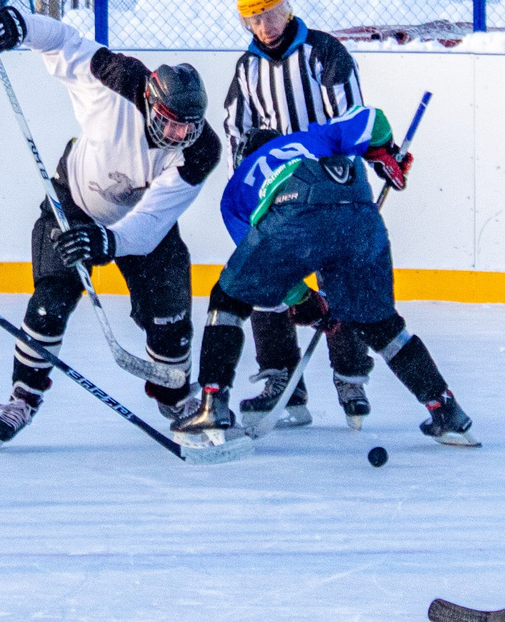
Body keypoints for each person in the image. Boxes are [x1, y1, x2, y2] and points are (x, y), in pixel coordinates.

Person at [0, 4, 220, 447]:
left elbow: (154, 218)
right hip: (73, 204)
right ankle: (23, 397)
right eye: (169, 124)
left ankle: (174, 395)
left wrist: (110, 241)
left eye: (187, 129)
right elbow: (63, 40)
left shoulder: (201, 151)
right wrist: (16, 26)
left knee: (171, 319)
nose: (177, 137)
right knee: (49, 302)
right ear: (151, 102)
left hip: (140, 228)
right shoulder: (118, 79)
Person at [180, 105, 476, 451]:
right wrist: (385, 153)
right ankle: (446, 411)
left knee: (229, 296)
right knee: (378, 323)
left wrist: (301, 300)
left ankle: (212, 405)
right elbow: (373, 119)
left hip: (297, 205)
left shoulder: (236, 187)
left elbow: (258, 264)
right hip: (358, 208)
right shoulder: (313, 137)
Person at [220, 0, 376, 430]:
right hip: (278, 197)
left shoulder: (324, 53)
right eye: (253, 19)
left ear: (285, 7)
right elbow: (235, 130)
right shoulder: (247, 68)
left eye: (269, 14)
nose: (264, 26)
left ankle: (350, 380)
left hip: (329, 190)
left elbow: (349, 120)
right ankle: (280, 381)